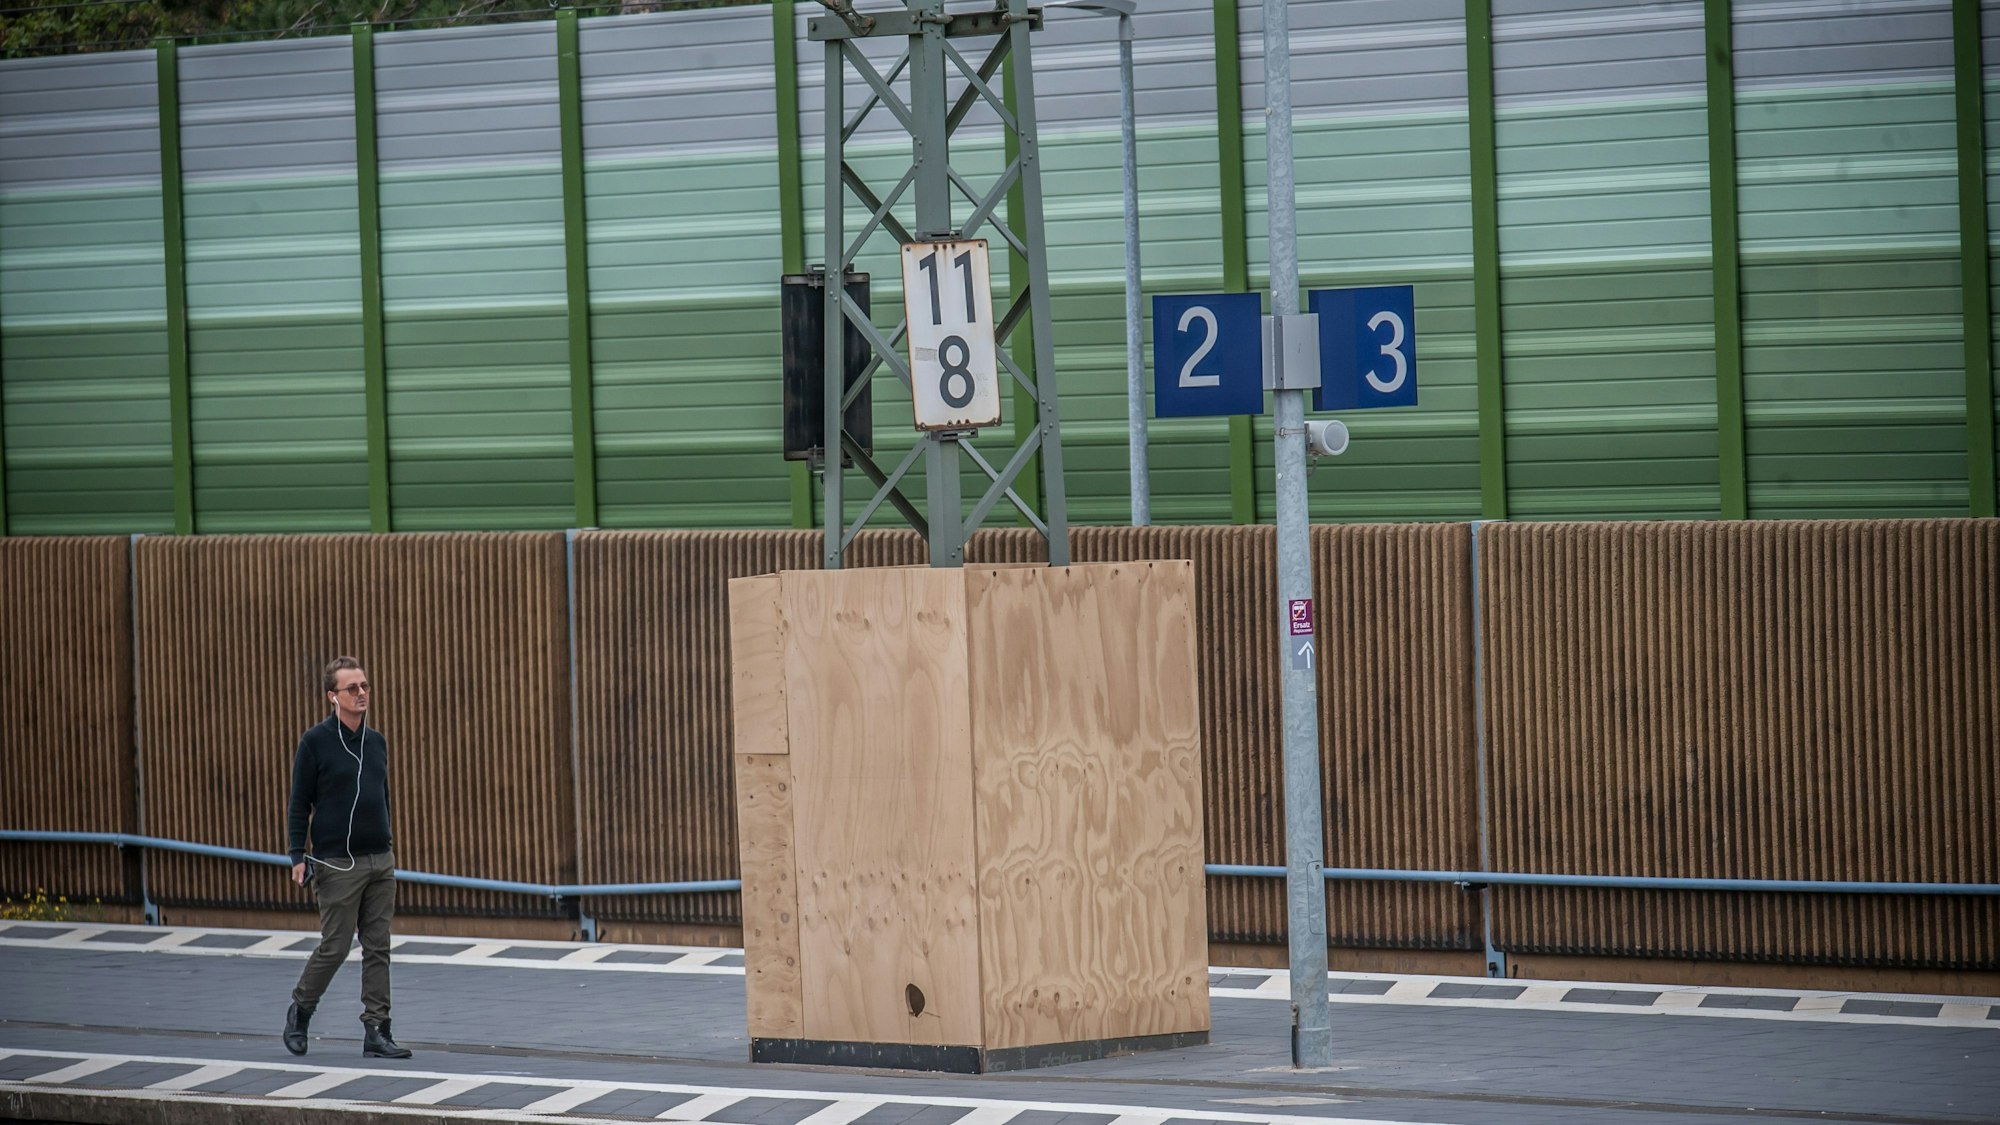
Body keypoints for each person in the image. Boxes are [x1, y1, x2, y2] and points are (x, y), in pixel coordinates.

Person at [283, 656, 412, 1059]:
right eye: (352, 688)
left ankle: (377, 1029)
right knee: (335, 947)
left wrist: (388, 843)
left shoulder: (376, 742)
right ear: (332, 697)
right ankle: (301, 1011)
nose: (361, 694)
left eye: (365, 686)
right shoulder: (315, 742)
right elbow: (299, 802)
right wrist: (296, 854)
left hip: (379, 860)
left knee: (378, 947)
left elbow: (382, 794)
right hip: (336, 864)